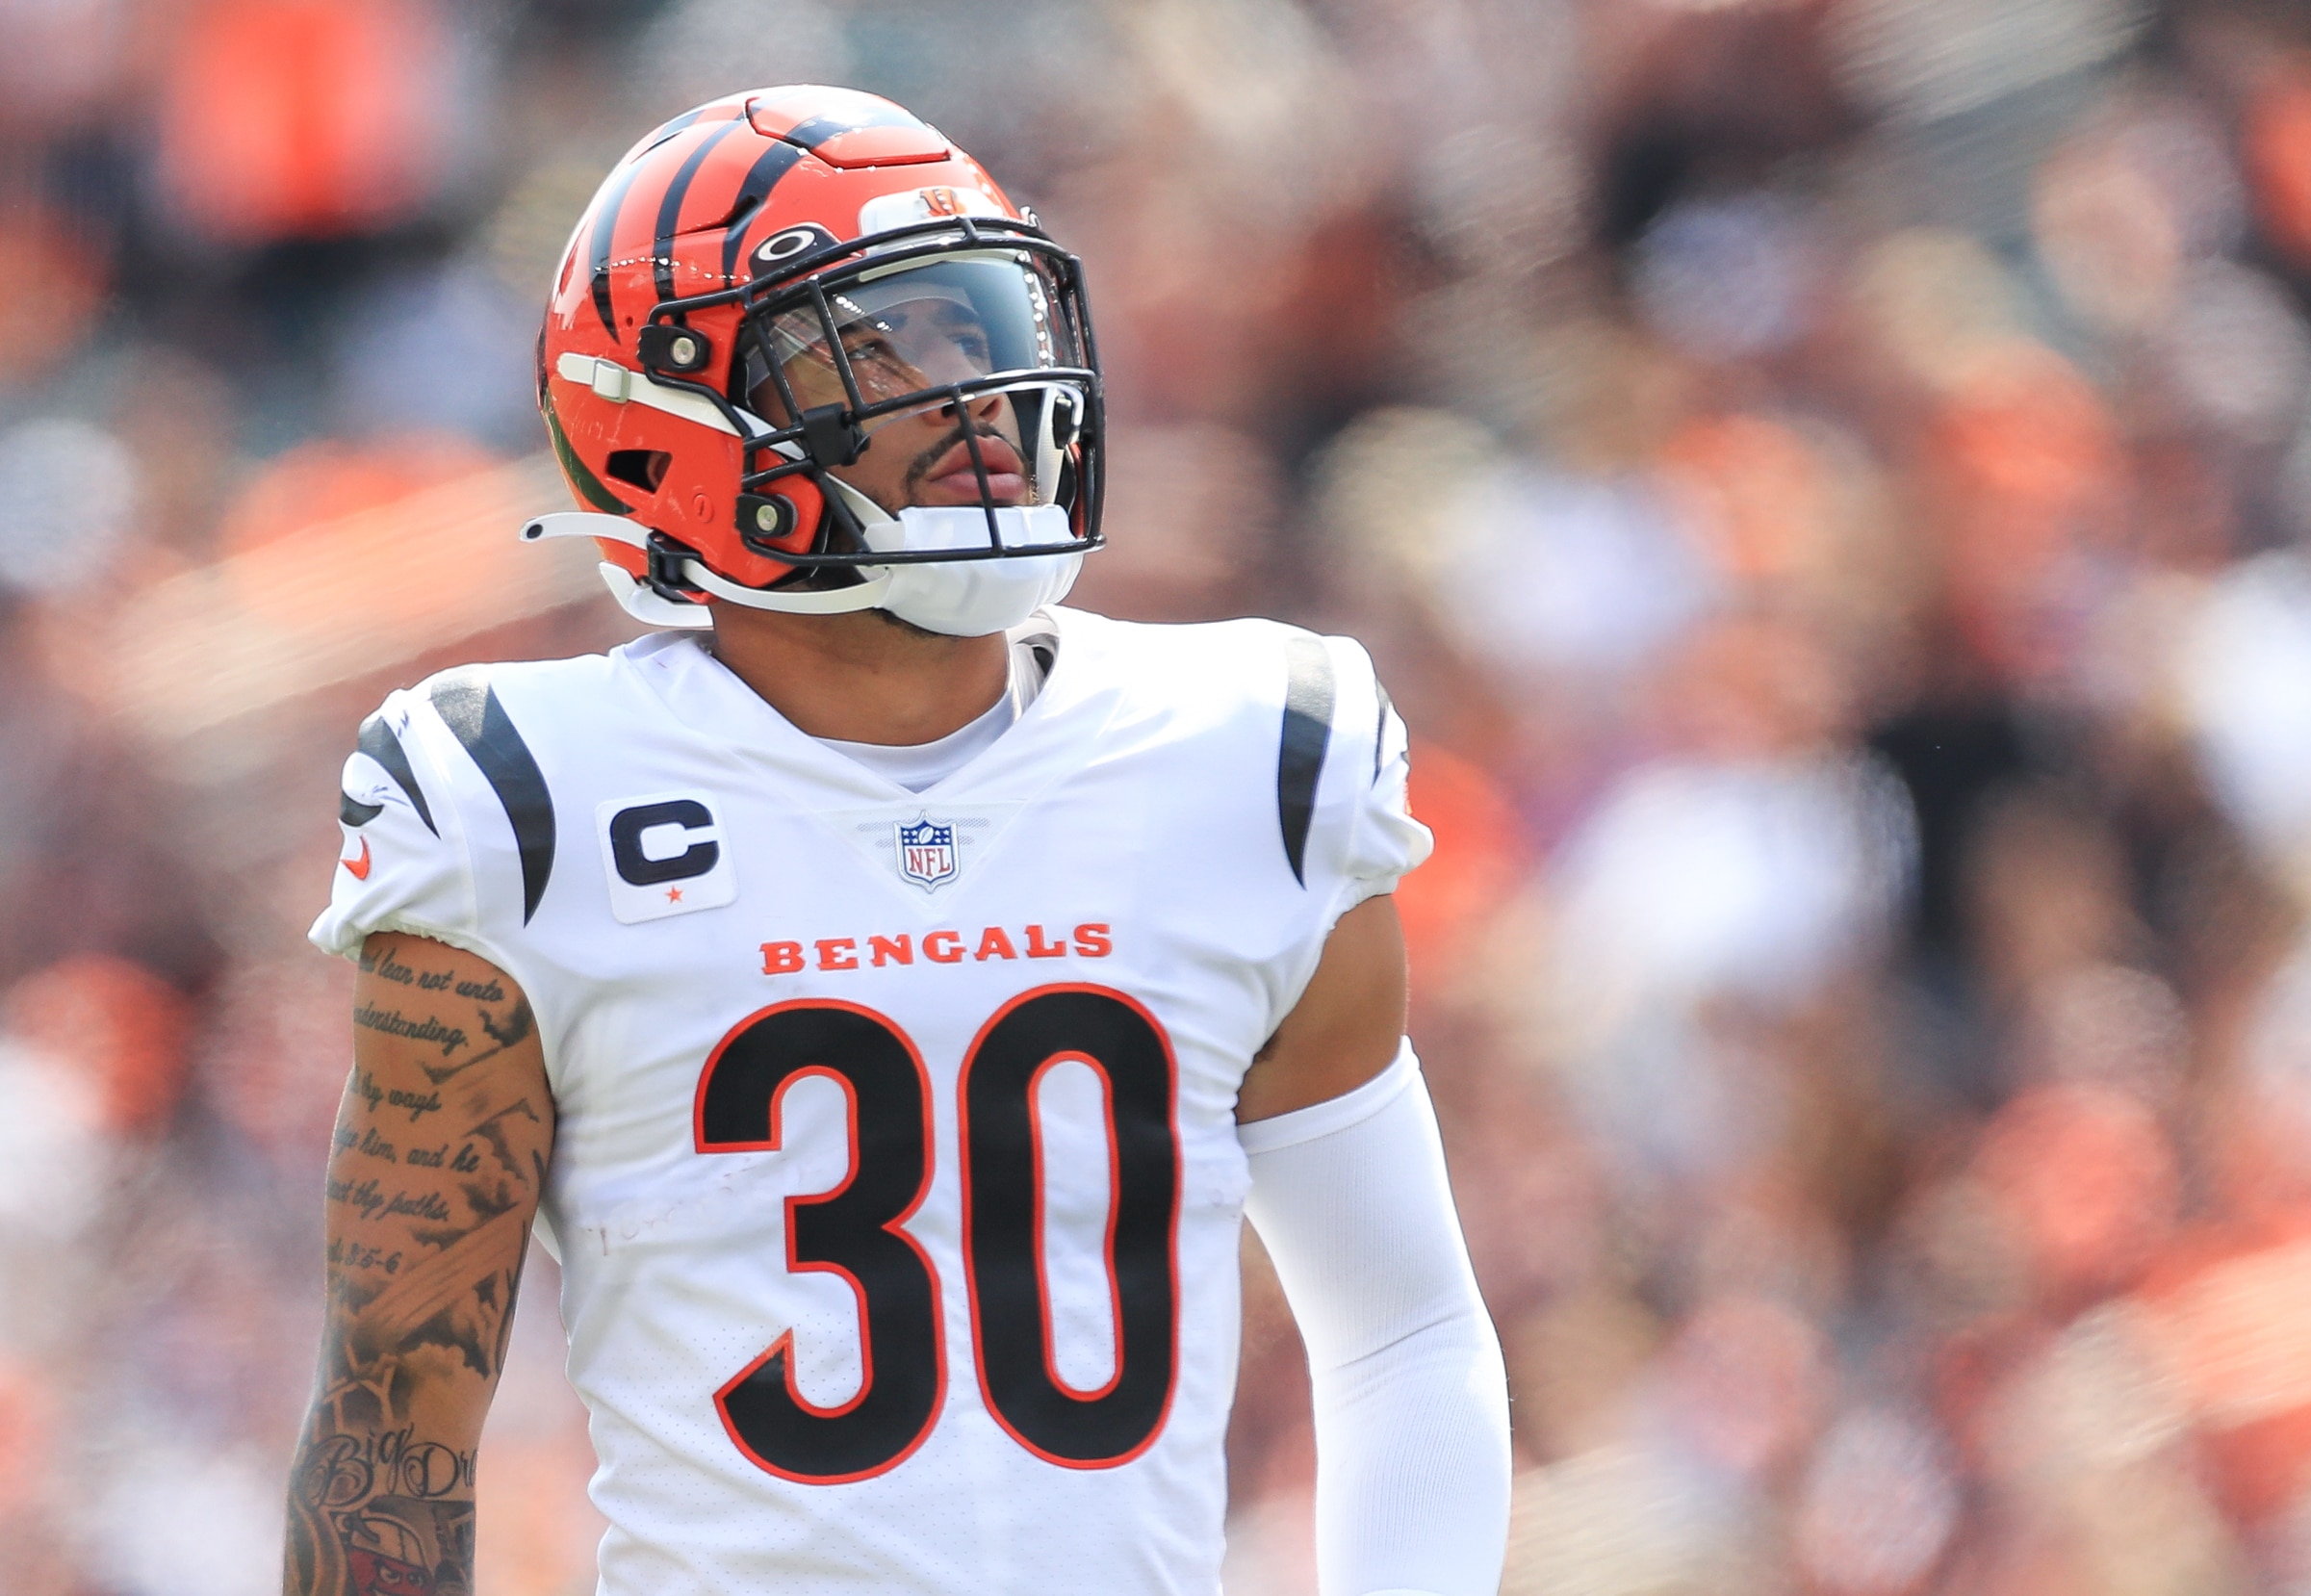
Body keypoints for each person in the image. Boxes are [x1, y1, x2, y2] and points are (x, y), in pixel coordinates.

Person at [284, 84, 1509, 1596]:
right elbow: (394, 1423)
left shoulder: (1249, 749)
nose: (977, 392)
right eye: (879, 342)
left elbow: (1402, 1327)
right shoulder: (518, 805)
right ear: (668, 419)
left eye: (983, 327)